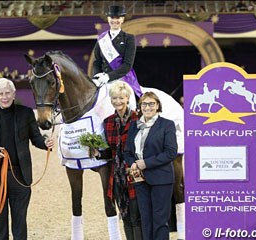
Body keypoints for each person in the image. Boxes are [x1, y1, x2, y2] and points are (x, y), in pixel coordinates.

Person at [0, 78, 54, 240]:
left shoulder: (26, 113)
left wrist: (45, 143)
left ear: (14, 94)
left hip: (20, 177)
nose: (4, 97)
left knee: (19, 222)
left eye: (8, 93)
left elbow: (36, 138)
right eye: (0, 94)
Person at [124, 91, 178, 240]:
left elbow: (170, 152)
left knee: (160, 220)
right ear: (140, 107)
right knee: (145, 219)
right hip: (140, 179)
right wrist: (133, 163)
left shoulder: (167, 125)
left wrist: (145, 163)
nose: (148, 107)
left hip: (161, 178)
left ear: (158, 106)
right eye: (144, 104)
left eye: (151, 104)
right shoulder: (134, 125)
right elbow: (127, 151)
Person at [92, 81, 142, 239]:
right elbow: (110, 152)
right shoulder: (107, 122)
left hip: (135, 173)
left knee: (136, 217)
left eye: (121, 98)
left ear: (128, 98)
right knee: (126, 217)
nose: (118, 101)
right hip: (118, 177)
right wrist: (98, 153)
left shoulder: (138, 119)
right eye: (114, 98)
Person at [92, 5, 142, 98]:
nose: (115, 20)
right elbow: (97, 62)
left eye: (118, 18)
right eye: (112, 17)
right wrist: (96, 76)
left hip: (122, 79)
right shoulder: (102, 39)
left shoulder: (129, 38)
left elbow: (127, 64)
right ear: (108, 19)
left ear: (122, 19)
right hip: (103, 80)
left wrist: (109, 76)